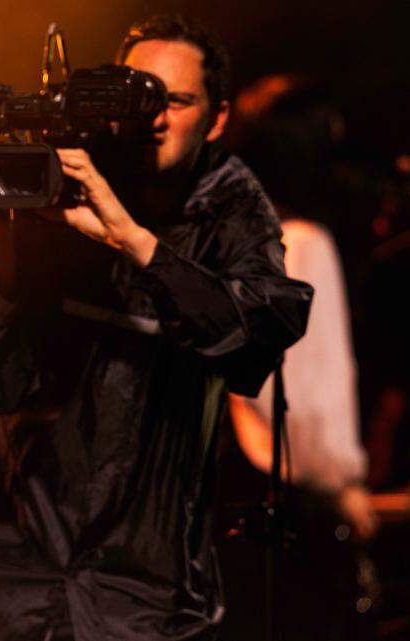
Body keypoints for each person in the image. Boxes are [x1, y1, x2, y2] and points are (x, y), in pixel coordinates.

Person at [0, 15, 312, 641]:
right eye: (138, 94)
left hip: (136, 585)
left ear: (215, 119)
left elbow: (258, 337)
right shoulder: (60, 172)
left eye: (176, 100)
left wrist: (129, 240)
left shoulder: (230, 204)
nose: (152, 116)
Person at [216, 74, 376, 641]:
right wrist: (341, 485)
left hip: (236, 507)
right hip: (296, 509)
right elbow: (311, 394)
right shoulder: (305, 244)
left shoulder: (233, 244)